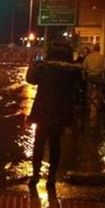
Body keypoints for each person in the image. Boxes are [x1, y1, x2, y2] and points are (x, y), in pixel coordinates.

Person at [26, 39, 81, 189]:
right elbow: (78, 90)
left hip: (43, 110)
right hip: (61, 112)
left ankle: (35, 175)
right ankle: (51, 177)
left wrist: (33, 64)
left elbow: (30, 80)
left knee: (39, 144)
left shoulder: (43, 68)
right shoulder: (72, 71)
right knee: (55, 144)